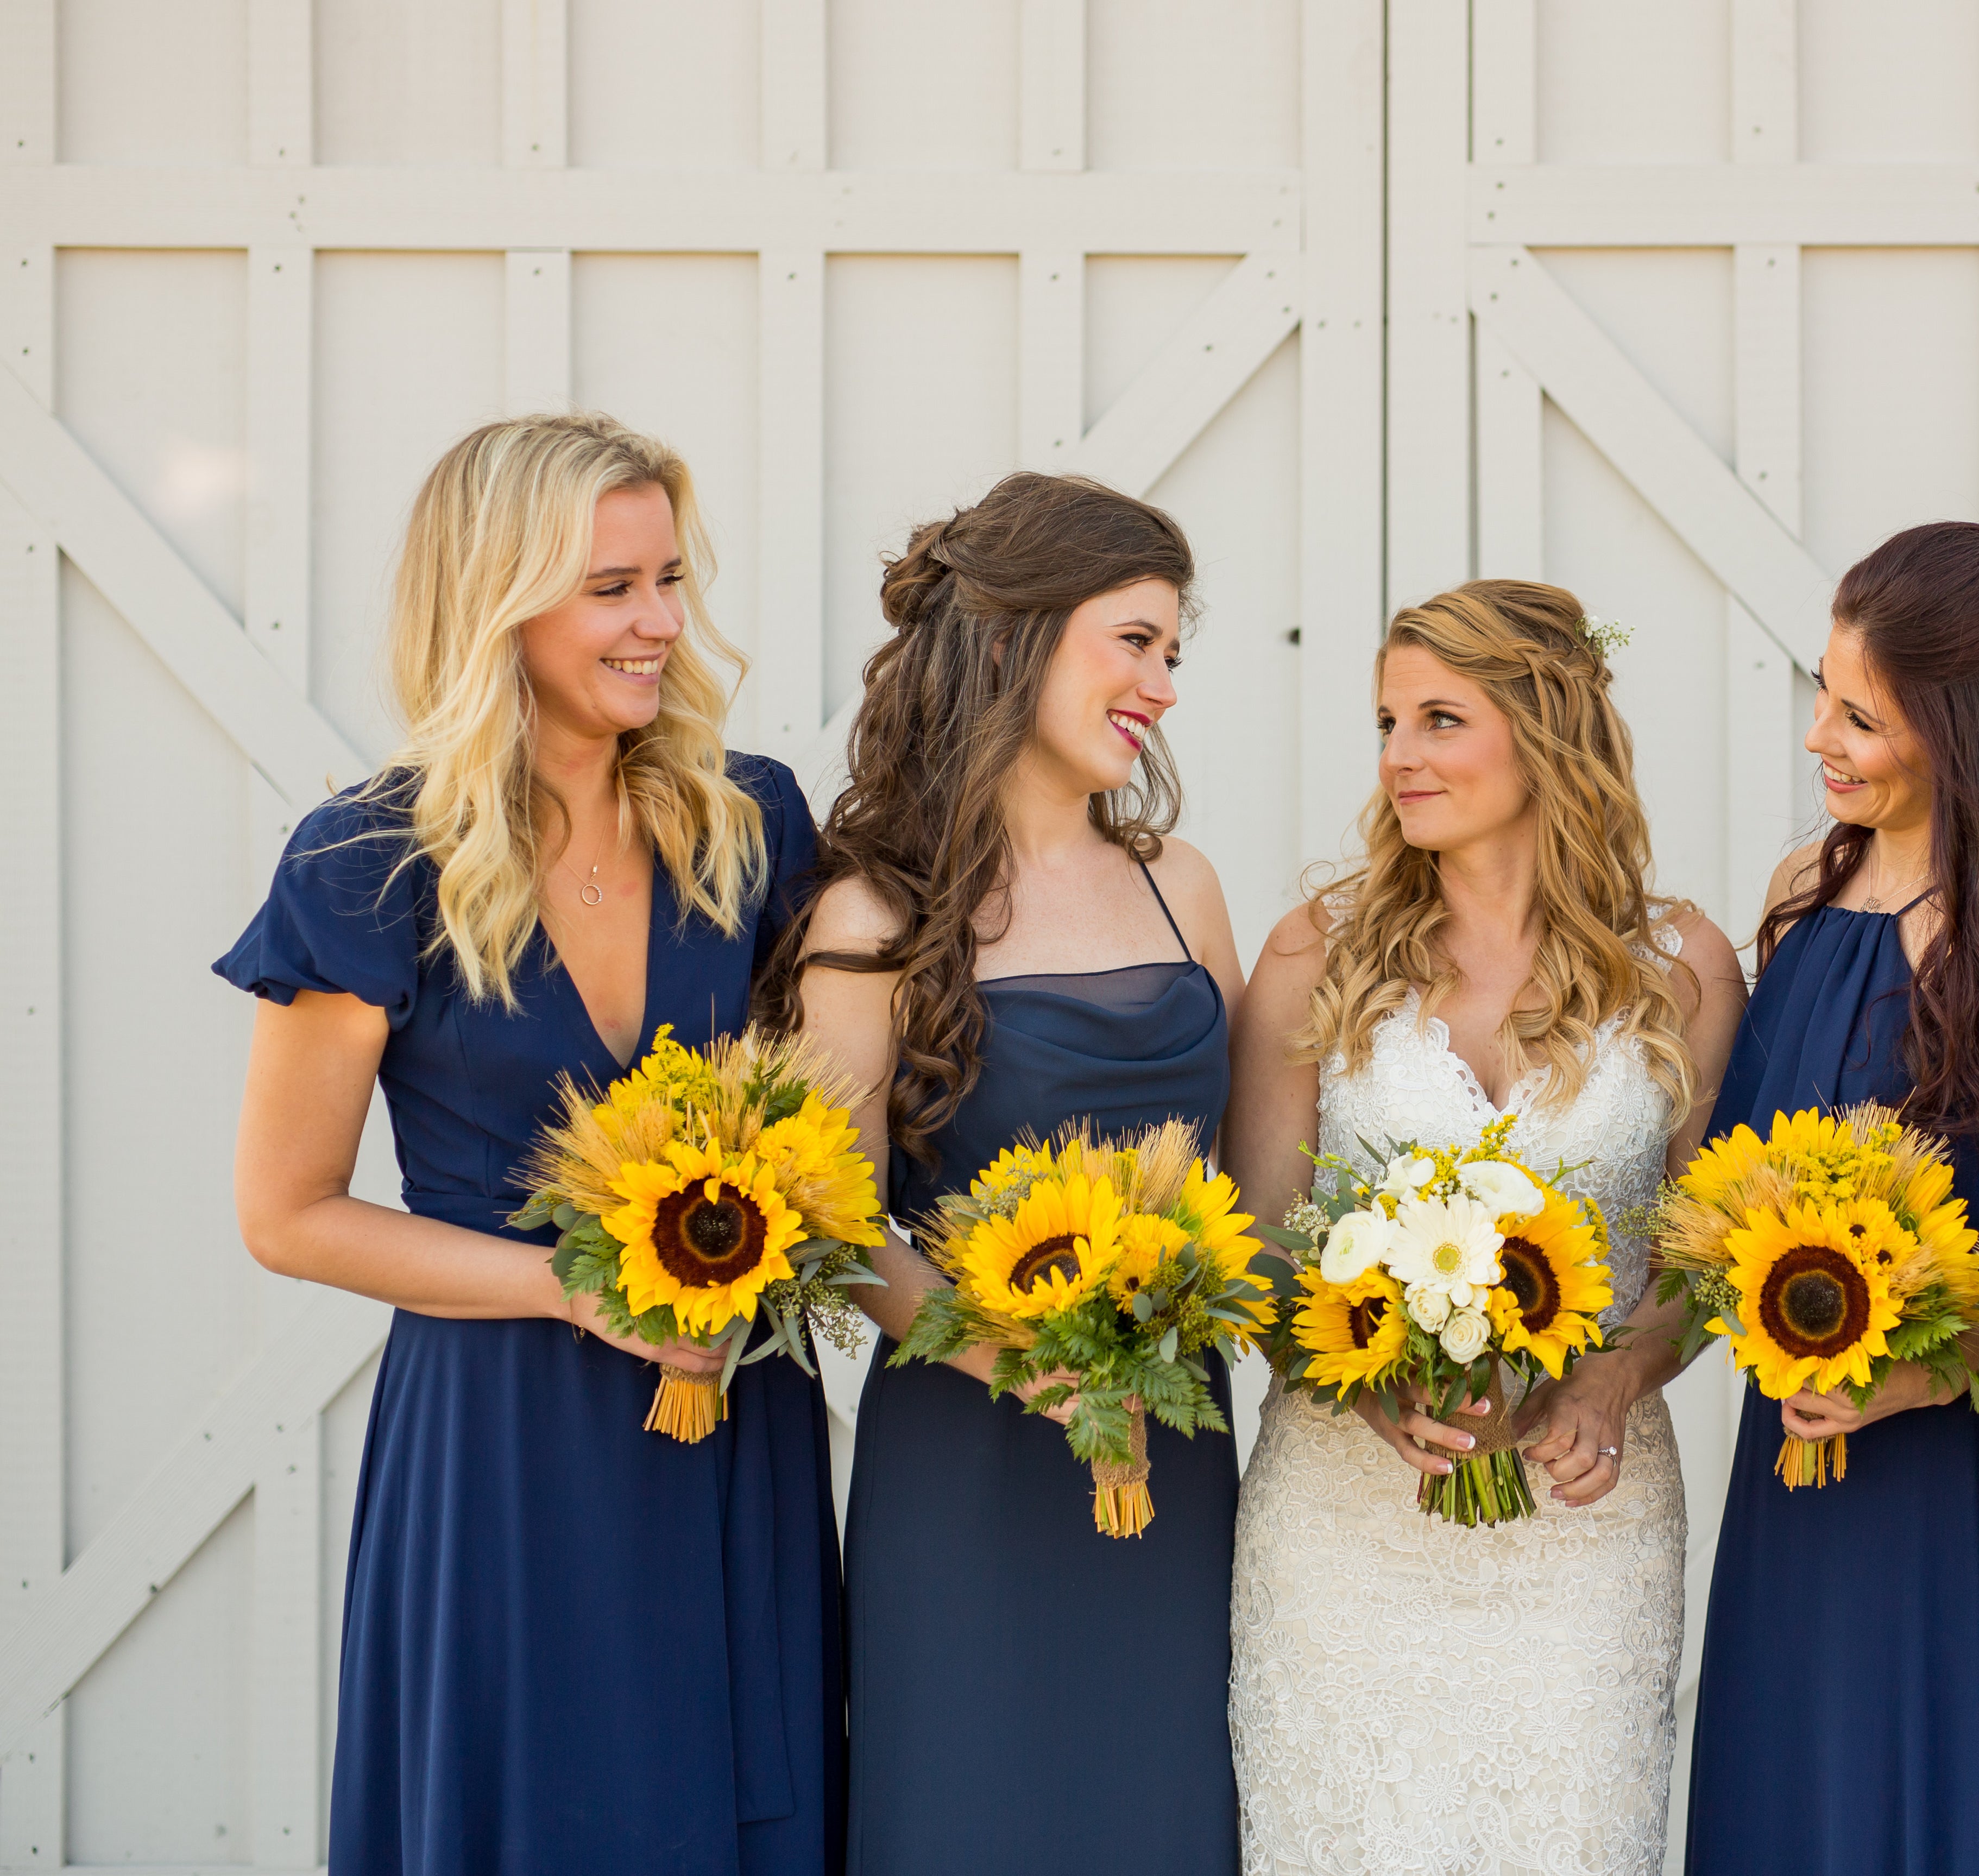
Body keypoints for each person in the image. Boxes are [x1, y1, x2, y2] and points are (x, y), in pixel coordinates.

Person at [218, 413, 839, 1875]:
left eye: (670, 579)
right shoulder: (367, 862)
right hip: (499, 1437)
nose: (660, 625)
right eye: (609, 587)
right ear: (495, 596)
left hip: (727, 1420)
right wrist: (584, 1291)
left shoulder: (748, 822)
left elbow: (819, 1120)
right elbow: (289, 1215)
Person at [1224, 579, 1744, 1876]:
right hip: (1342, 1538)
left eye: (1438, 720)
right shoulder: (1318, 952)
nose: (1398, 757)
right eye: (1386, 722)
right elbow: (1259, 1245)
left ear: (1546, 733)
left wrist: (1617, 1379)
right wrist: (1356, 1384)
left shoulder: (1679, 966)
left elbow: (1708, 1261)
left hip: (1584, 1534)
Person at [771, 472, 1245, 1876]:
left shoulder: (1184, 883)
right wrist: (1021, 1366)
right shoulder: (871, 914)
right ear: (1010, 640)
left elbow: (1248, 1187)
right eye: (1133, 642)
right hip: (971, 1465)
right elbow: (838, 1228)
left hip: (1176, 1454)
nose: (1159, 683)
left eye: (1172, 651)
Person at [1680, 523, 1979, 1876]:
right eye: (1819, 693)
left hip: (1944, 1486)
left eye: (1859, 714)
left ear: (1955, 725)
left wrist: (1936, 1369)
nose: (1819, 735)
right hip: (1790, 1477)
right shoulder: (1798, 897)